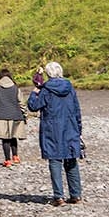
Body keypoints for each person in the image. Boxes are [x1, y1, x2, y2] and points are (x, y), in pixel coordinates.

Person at [27, 61, 85, 205]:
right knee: (71, 160)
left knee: (55, 160)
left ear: (48, 74)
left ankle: (58, 197)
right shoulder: (70, 87)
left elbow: (33, 106)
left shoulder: (46, 89)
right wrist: (79, 130)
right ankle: (76, 195)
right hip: (70, 127)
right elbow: (77, 110)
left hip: (52, 129)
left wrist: (34, 93)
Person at [0, 68, 27, 166]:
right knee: (13, 137)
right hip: (15, 115)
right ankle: (16, 157)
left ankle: (7, 160)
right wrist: (25, 115)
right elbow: (22, 103)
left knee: (5, 139)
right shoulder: (16, 87)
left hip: (0, 115)